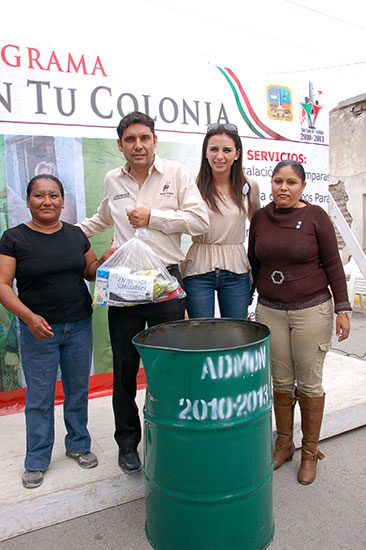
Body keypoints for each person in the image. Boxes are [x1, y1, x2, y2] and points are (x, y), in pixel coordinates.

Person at [77, 111, 209, 474]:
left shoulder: (177, 175)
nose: (138, 145)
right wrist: (61, 231)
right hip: (124, 283)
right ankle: (128, 445)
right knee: (124, 368)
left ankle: (170, 438)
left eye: (144, 138)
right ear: (120, 145)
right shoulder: (111, 180)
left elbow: (200, 221)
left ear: (155, 140)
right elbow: (102, 218)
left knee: (169, 368)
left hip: (166, 281)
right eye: (130, 139)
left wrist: (154, 217)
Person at [0, 174, 113, 489]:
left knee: (77, 390)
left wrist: (102, 262)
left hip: (78, 325)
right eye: (39, 196)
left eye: (53, 195)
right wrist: (28, 317)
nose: (46, 201)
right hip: (39, 330)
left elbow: (89, 272)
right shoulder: (14, 238)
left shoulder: (75, 235)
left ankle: (78, 443)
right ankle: (36, 459)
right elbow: (2, 285)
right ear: (28, 201)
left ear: (63, 200)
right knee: (39, 397)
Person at [248, 159, 351, 485]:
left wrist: (343, 309)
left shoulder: (315, 216)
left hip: (312, 310)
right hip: (271, 311)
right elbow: (253, 261)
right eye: (278, 181)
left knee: (308, 384)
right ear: (272, 183)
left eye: (291, 182)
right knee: (280, 382)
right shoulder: (261, 217)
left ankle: (309, 451)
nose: (283, 188)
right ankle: (284, 443)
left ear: (303, 186)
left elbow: (334, 264)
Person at [181, 123, 260, 318]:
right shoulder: (192, 185)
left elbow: (260, 227)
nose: (220, 156)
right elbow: (176, 222)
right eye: (214, 149)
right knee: (202, 335)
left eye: (227, 150)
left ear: (237, 154)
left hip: (236, 269)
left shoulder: (249, 185)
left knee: (236, 334)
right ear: (205, 153)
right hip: (198, 268)